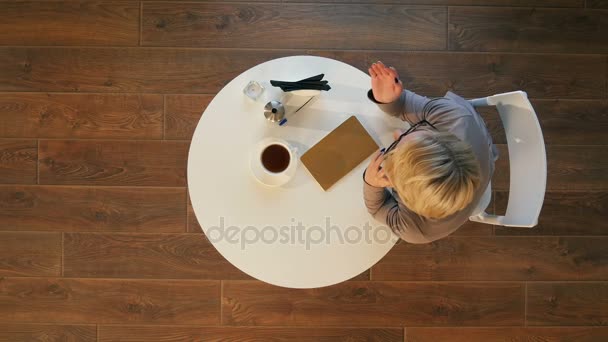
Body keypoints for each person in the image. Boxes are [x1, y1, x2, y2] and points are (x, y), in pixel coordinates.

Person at [363, 61, 497, 244]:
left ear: (402, 195)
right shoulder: (454, 115)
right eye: (412, 135)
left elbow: (378, 209)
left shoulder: (416, 230)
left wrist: (371, 184)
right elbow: (405, 105)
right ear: (443, 137)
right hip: (482, 155)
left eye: (396, 150)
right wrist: (391, 100)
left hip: (480, 172)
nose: (398, 133)